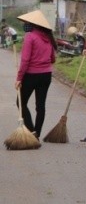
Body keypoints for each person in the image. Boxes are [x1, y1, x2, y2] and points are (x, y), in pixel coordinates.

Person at [14, 10, 57, 139]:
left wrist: (19, 78)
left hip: (31, 75)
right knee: (40, 106)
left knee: (20, 102)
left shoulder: (30, 36)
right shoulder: (48, 37)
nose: (26, 24)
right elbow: (53, 59)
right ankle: (37, 134)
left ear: (34, 24)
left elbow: (25, 60)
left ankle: (31, 129)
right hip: (46, 76)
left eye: (28, 22)